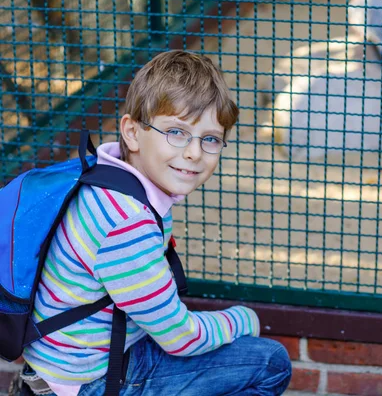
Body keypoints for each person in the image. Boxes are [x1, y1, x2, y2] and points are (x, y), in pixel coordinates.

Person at [21, 50, 292, 396]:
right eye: (176, 132)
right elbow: (181, 338)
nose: (194, 153)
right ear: (132, 132)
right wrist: (243, 319)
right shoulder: (128, 222)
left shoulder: (107, 178)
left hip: (66, 361)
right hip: (87, 381)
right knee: (270, 363)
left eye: (210, 139)